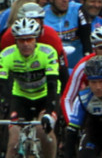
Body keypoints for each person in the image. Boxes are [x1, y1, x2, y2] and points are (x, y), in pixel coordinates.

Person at [0, 18, 59, 158]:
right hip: (21, 97)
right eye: (21, 40)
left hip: (46, 96)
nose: (26, 44)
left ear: (36, 39)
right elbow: (2, 84)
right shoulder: (6, 55)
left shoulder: (48, 52)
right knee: (13, 141)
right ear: (16, 41)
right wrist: (4, 104)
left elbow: (52, 84)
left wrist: (49, 112)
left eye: (30, 39)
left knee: (43, 132)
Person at [43, 0, 91, 69]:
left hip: (76, 66)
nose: (65, 0)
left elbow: (86, 40)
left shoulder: (78, 10)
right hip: (52, 67)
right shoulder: (42, 14)